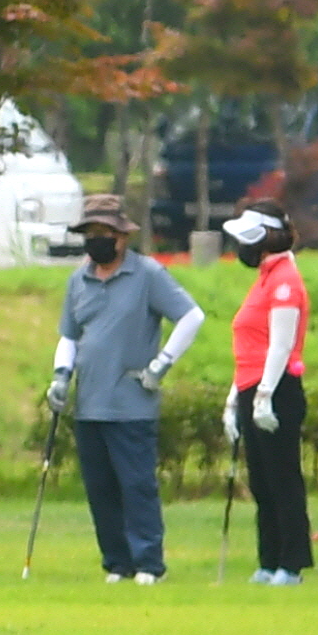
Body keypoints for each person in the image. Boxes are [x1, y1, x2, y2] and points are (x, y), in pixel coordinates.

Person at [51, 193, 204, 584]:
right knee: (100, 488)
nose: (97, 241)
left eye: (105, 233)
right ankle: (116, 562)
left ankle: (149, 562)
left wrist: (161, 364)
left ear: (122, 237)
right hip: (89, 403)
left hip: (132, 403)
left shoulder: (147, 274)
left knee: (136, 486)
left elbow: (191, 316)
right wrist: (60, 375)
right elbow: (70, 335)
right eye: (91, 233)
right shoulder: (78, 279)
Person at [222, 207, 313, 585]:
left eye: (248, 237)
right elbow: (248, 346)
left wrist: (265, 396)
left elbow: (281, 345)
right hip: (251, 387)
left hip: (276, 390)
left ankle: (291, 563)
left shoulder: (285, 281)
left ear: (267, 237)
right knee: (260, 480)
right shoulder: (264, 279)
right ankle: (268, 559)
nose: (241, 245)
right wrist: (233, 400)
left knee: (282, 478)